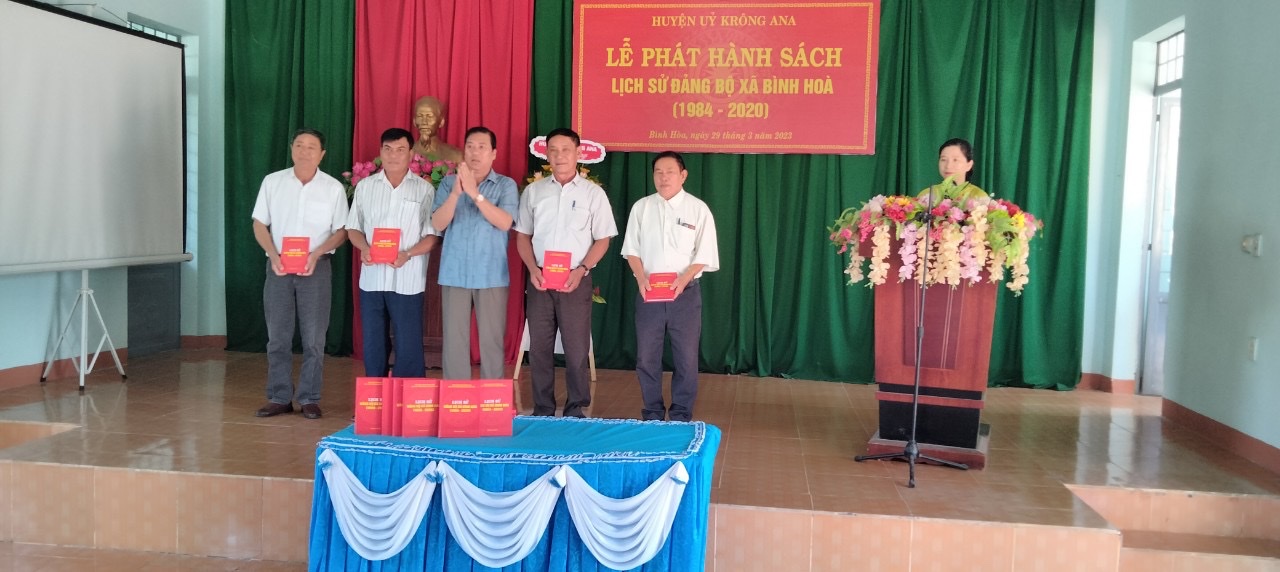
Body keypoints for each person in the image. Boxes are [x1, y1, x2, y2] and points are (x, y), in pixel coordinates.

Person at [514, 128, 617, 417]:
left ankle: (576, 409)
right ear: (546, 154)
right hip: (540, 279)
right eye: (554, 150)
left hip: (576, 279)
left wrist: (583, 269)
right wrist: (532, 269)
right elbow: (522, 235)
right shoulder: (534, 192)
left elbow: (603, 239)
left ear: (578, 153)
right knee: (539, 348)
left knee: (576, 348)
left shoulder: (593, 194)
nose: (559, 156)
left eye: (566, 150)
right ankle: (543, 409)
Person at [251, 128, 349, 419]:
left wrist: (316, 253)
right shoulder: (273, 182)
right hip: (278, 267)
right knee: (277, 338)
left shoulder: (333, 188)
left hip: (316, 268)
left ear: (322, 154)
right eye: (300, 145)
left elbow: (342, 231)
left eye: (311, 147)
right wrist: (273, 254)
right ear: (292, 148)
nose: (305, 151)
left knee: (314, 339)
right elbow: (259, 223)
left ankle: (309, 397)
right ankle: (279, 396)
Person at [621, 151, 719, 422]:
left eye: (670, 172)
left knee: (686, 358)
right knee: (646, 357)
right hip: (648, 293)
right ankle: (652, 412)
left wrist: (683, 280)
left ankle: (681, 414)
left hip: (685, 295)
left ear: (683, 175)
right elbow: (631, 250)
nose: (664, 178)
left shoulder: (698, 209)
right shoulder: (641, 207)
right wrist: (641, 279)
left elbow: (705, 252)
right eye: (658, 172)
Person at [346, 127, 439, 379]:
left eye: (400, 150)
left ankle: (407, 397)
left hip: (408, 278)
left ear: (411, 153)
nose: (393, 155)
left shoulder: (424, 190)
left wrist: (408, 254)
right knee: (373, 341)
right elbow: (353, 228)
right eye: (387, 149)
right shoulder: (365, 187)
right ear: (380, 152)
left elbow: (432, 236)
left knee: (408, 342)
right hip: (372, 278)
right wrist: (364, 248)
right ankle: (375, 395)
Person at [430, 127, 518, 380]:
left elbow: (505, 222)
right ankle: (457, 397)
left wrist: (475, 194)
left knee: (492, 341)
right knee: (454, 342)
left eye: (481, 147)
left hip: (491, 274)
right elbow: (437, 223)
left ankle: (492, 398)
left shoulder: (505, 185)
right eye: (470, 146)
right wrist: (456, 193)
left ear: (494, 153)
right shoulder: (448, 183)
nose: (475, 152)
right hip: (454, 273)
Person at [918, 138, 988, 205]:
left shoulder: (979, 197)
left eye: (955, 160)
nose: (948, 166)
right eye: (943, 160)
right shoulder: (927, 195)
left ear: (969, 165)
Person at [411, 96, 462, 163]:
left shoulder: (455, 155)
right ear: (414, 121)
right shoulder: (406, 153)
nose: (424, 122)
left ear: (441, 122)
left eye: (429, 116)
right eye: (420, 116)